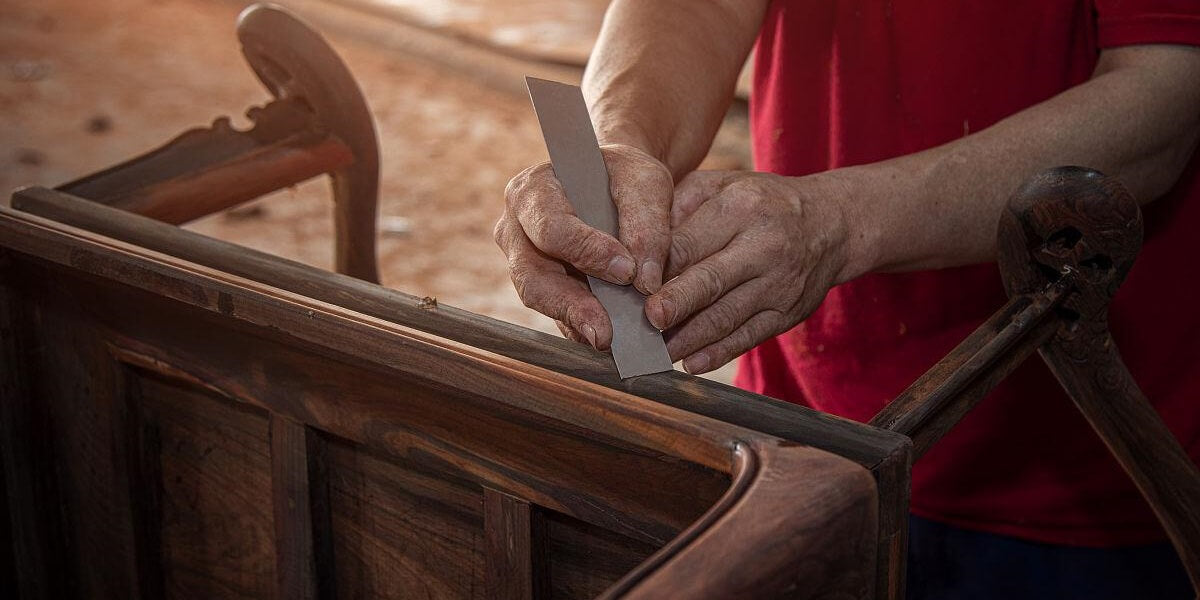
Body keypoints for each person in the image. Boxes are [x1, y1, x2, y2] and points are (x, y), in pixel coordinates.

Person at [494, 1, 1200, 598]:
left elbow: (1168, 87)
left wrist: (839, 223)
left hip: (1085, 463)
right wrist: (615, 154)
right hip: (800, 434)